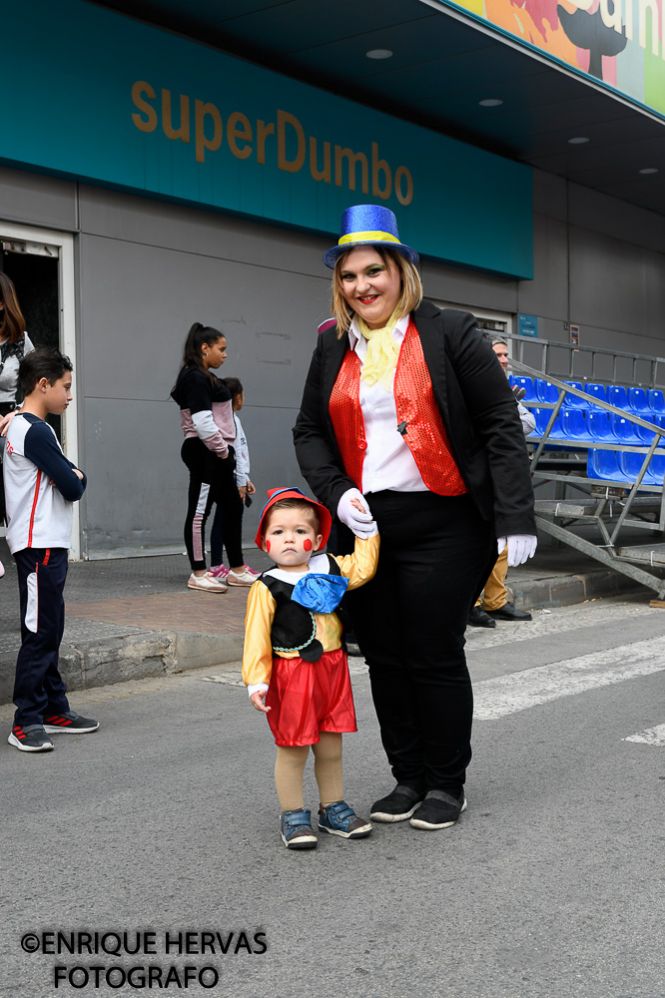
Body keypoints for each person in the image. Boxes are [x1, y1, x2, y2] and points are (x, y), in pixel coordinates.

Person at [293, 204, 537, 831]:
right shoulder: (330, 344)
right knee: (383, 653)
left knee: (432, 650)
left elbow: (499, 426)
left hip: (448, 521)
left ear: (401, 271)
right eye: (349, 277)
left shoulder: (452, 332)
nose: (362, 287)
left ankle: (445, 784)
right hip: (366, 524)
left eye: (374, 271)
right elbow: (309, 431)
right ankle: (408, 777)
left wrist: (516, 516)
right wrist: (336, 488)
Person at [242, 487, 379, 850]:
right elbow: (256, 636)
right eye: (279, 532)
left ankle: (332, 807)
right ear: (265, 542)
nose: (290, 538)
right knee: (294, 747)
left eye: (301, 531)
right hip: (292, 674)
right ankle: (293, 813)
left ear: (317, 539)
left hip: (332, 670)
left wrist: (367, 531)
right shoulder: (266, 586)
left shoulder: (330, 566)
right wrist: (257, 681)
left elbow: (363, 568)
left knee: (331, 743)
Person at [3, 348, 98, 752]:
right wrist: (75, 473)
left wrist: (72, 473)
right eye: (66, 387)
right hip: (38, 546)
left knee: (49, 629)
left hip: (45, 545)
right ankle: (26, 720)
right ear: (44, 385)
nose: (70, 396)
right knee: (40, 632)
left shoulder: (21, 428)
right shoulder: (34, 431)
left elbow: (69, 478)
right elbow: (74, 485)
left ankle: (53, 708)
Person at [171, 323, 257, 592]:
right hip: (205, 452)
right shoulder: (194, 377)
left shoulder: (203, 376)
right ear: (204, 348)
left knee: (232, 507)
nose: (225, 354)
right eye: (221, 349)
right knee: (200, 512)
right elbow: (203, 422)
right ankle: (198, 572)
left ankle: (237, 570)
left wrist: (226, 455)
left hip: (216, 453)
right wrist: (222, 451)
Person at [468, 338, 536, 627]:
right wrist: (505, 412)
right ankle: (468, 603)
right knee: (473, 544)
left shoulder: (506, 388)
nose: (505, 359)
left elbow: (528, 425)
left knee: (501, 543)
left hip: (500, 475)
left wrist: (510, 406)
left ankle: (495, 601)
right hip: (474, 476)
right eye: (499, 354)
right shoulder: (469, 383)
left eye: (506, 354)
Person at [0, 272, 34, 578]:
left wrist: (19, 411)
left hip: (9, 420)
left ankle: (24, 552)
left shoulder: (20, 342)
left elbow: (38, 381)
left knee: (15, 491)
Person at [213, 376, 258, 586]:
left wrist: (245, 478)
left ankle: (229, 565)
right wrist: (240, 480)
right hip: (230, 476)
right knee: (226, 519)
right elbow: (236, 452)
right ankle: (220, 566)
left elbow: (240, 451)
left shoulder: (232, 419)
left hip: (236, 476)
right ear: (237, 397)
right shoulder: (228, 419)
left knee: (225, 519)